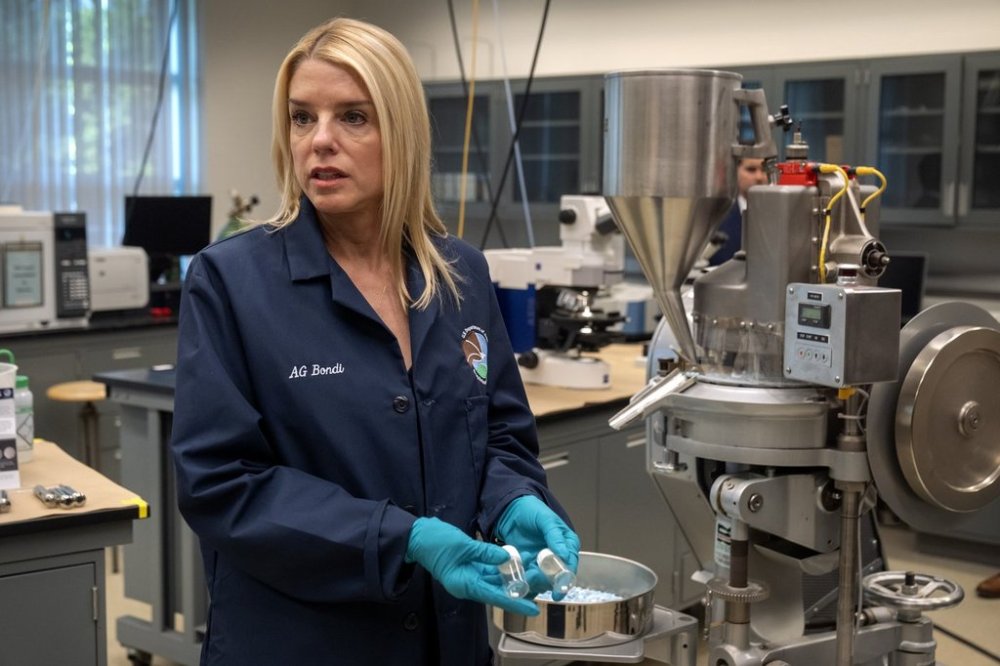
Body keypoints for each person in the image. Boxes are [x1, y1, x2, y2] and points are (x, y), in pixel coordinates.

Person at [170, 17, 580, 665]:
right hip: (303, 641)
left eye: (353, 117)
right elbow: (221, 483)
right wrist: (400, 538)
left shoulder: (461, 275)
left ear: (404, 132)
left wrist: (513, 501)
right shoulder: (231, 282)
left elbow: (498, 434)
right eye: (302, 118)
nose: (321, 141)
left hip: (449, 639)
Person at [708, 157, 768, 266]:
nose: (759, 177)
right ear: (735, 171)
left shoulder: (780, 217)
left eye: (764, 169)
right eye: (751, 169)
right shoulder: (716, 217)